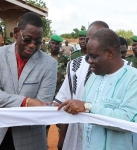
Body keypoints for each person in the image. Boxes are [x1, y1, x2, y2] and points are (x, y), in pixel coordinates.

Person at [58, 28, 137, 150]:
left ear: (110, 53)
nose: (89, 61)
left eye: (94, 56)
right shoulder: (93, 77)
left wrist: (87, 107)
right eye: (88, 56)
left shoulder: (136, 79)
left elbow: (129, 120)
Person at [0, 12, 57, 150]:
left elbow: (41, 108)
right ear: (16, 33)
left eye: (38, 42)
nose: (32, 45)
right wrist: (27, 102)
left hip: (30, 141)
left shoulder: (49, 64)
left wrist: (1, 109)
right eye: (27, 39)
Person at [54, 21, 109, 150]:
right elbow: (64, 100)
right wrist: (62, 137)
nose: (92, 43)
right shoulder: (73, 65)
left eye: (99, 39)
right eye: (89, 39)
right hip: (76, 132)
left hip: (105, 135)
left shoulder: (123, 68)